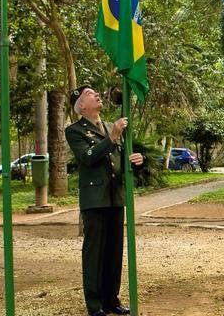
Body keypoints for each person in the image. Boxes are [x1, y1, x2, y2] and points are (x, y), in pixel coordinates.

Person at [65, 85, 144, 316]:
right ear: (81, 106)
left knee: (114, 251)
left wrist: (136, 162)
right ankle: (95, 304)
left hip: (115, 197)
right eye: (90, 94)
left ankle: (111, 299)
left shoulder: (111, 126)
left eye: (96, 93)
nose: (97, 95)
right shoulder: (75, 131)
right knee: (94, 253)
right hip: (95, 199)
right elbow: (88, 158)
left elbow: (118, 162)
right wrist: (112, 137)